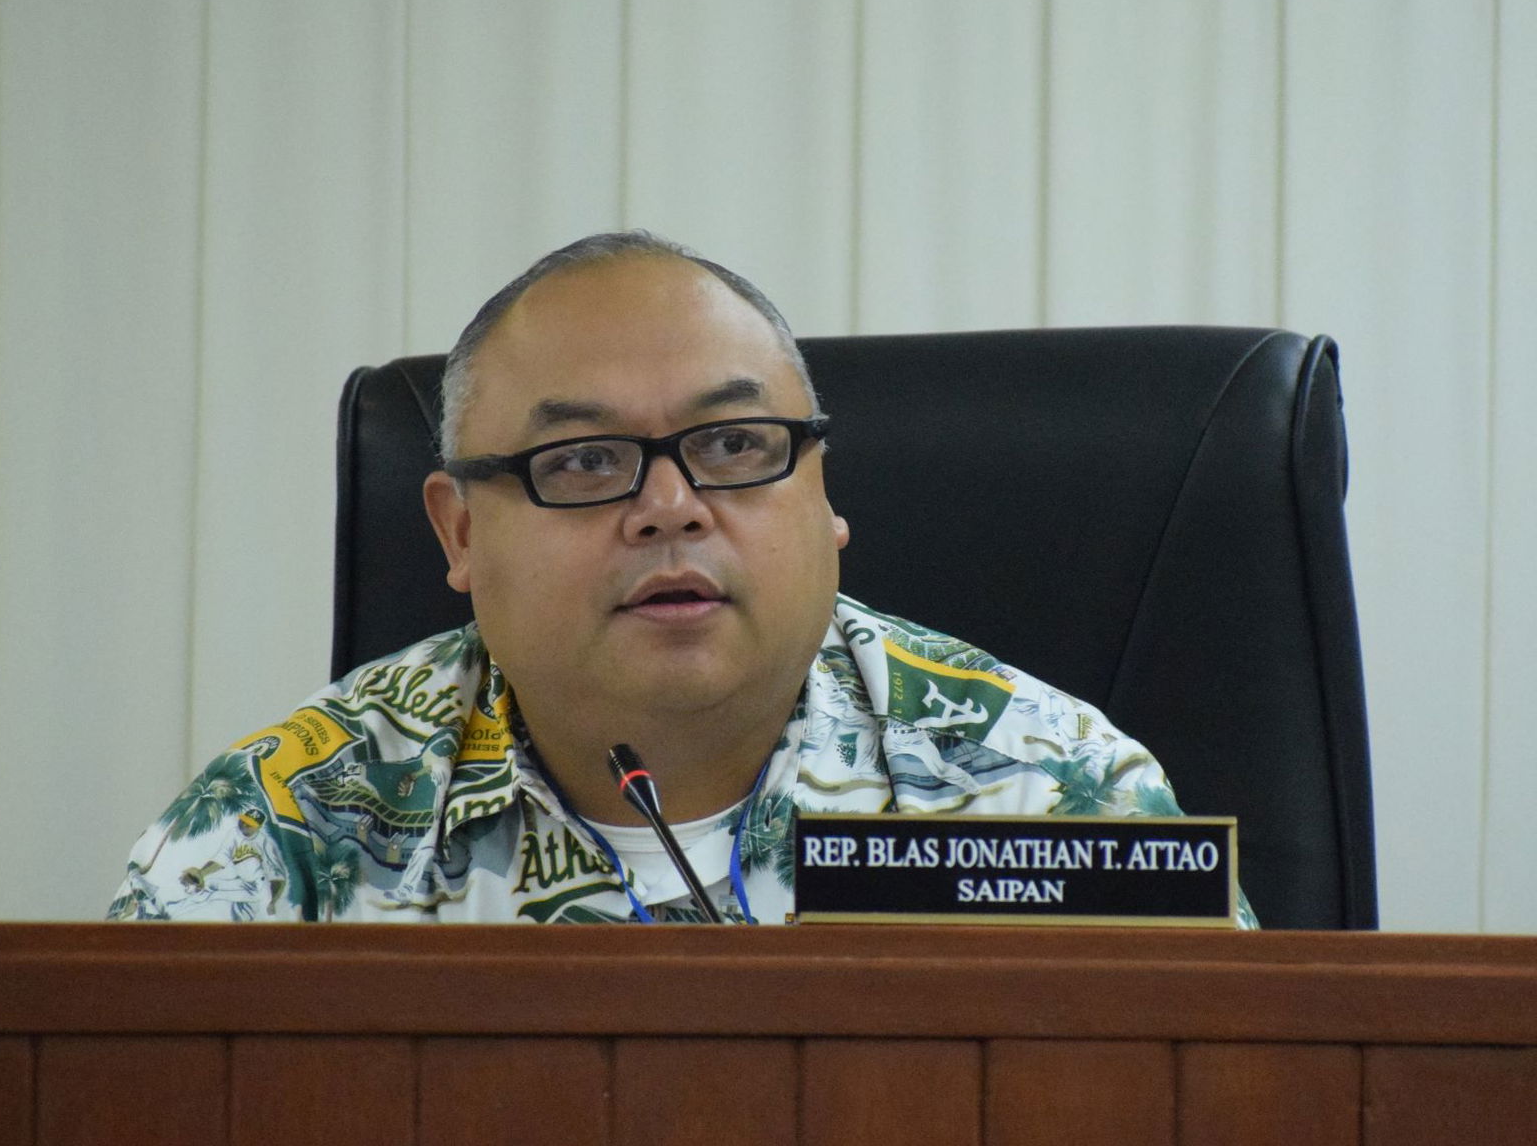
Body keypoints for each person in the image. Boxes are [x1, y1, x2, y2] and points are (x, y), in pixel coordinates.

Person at [112, 231, 1256, 927]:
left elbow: (1217, 1130)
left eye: (733, 445)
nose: (670, 505)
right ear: (458, 532)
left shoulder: (1047, 792)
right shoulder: (282, 829)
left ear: (823, 493)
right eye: (586, 461)